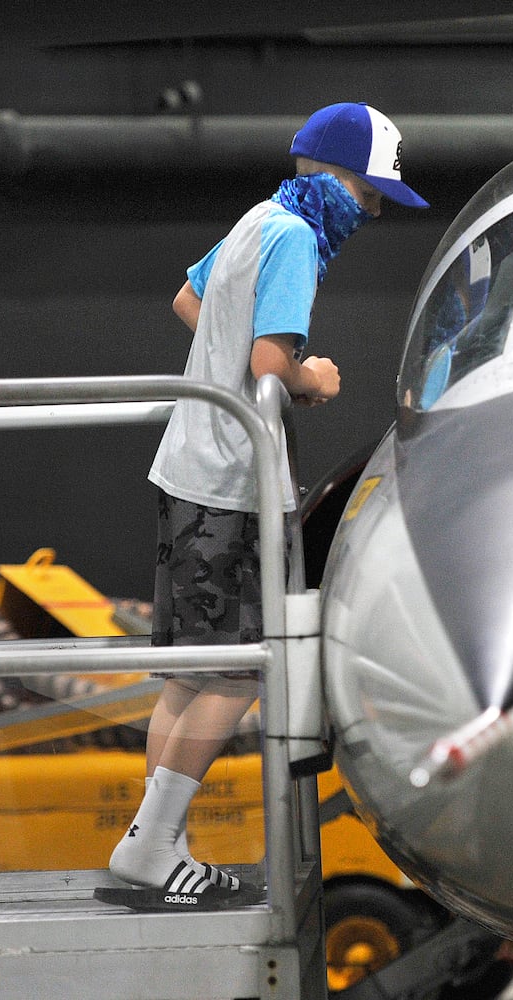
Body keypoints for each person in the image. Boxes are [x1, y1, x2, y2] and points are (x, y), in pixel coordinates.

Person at [105, 102, 428, 909]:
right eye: (371, 192)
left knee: (187, 678)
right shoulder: (293, 241)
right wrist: (309, 377)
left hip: (189, 467)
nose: (373, 209)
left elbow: (190, 299)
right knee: (239, 673)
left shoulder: (258, 218)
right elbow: (268, 356)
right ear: (340, 178)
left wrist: (249, 370)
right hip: (233, 484)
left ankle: (158, 844)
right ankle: (148, 850)